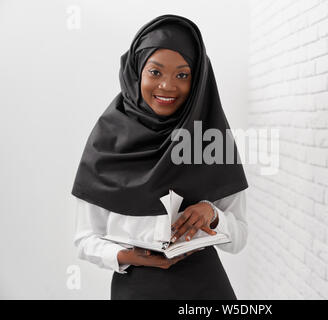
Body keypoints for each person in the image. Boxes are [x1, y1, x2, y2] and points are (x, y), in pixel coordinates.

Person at [71, 14, 249, 300]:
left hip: (206, 289)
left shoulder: (209, 138)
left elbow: (239, 238)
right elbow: (85, 240)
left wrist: (213, 215)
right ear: (137, 71)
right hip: (136, 287)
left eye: (182, 75)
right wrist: (129, 255)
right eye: (155, 72)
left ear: (198, 79)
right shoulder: (108, 140)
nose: (167, 86)